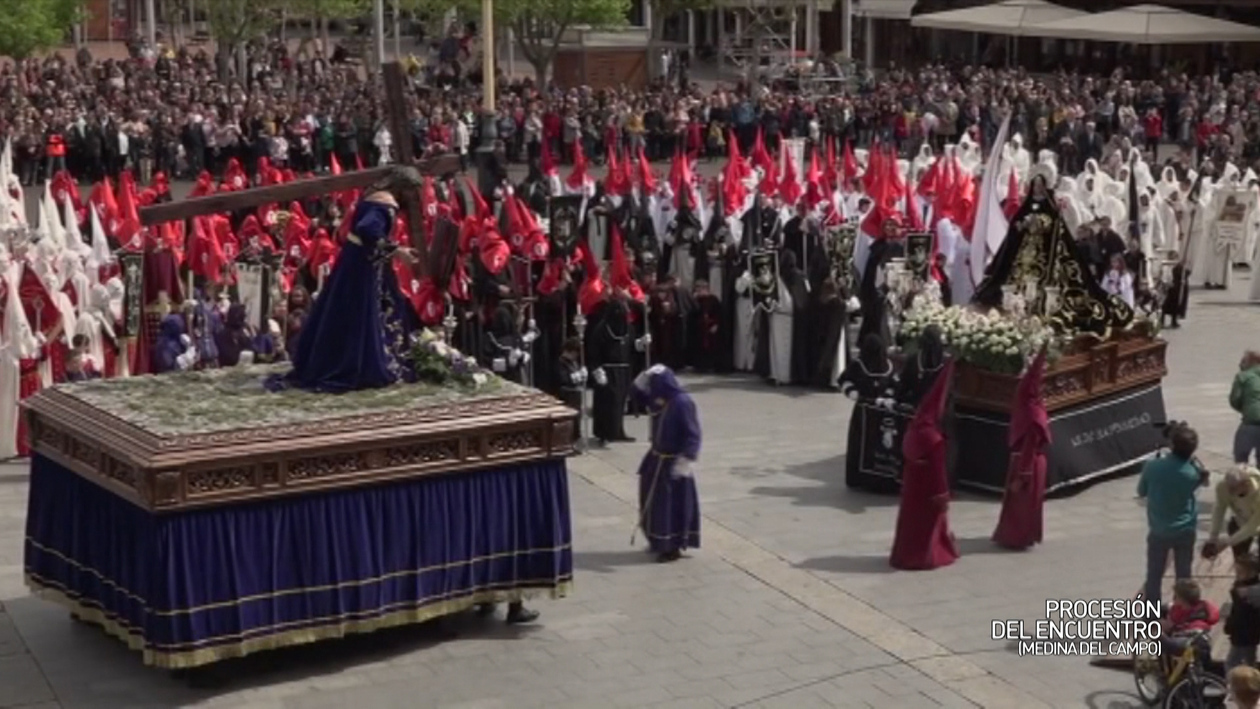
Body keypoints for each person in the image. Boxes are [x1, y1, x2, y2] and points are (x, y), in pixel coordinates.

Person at [278, 167, 422, 392]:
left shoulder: (373, 193)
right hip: (362, 266)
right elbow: (368, 229)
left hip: (353, 259)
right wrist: (398, 252)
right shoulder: (387, 205)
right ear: (402, 188)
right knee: (359, 314)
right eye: (411, 191)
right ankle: (360, 364)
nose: (412, 197)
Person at [890, 361, 957, 570]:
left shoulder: (915, 427)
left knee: (910, 523)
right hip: (927, 486)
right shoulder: (933, 438)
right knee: (927, 526)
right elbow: (937, 470)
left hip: (912, 483)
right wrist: (942, 494)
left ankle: (904, 555)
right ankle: (924, 557)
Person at [631, 365, 701, 563]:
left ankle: (672, 547)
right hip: (656, 459)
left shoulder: (683, 403)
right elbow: (636, 396)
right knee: (651, 503)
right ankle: (657, 540)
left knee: (670, 507)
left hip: (674, 463)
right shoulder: (658, 399)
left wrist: (687, 459)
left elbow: (693, 434)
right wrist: (641, 378)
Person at [1136, 423, 1203, 608]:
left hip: (1159, 529)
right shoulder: (1192, 473)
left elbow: (1141, 491)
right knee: (1184, 573)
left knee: (1154, 574)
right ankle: (1183, 609)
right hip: (1185, 528)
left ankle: (1151, 613)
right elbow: (1199, 484)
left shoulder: (1152, 466)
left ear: (1172, 445)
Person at [992, 351, 1049, 551]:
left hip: (1028, 463)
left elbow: (1029, 446)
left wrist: (1023, 476)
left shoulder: (1032, 415)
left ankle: (1018, 537)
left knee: (1021, 502)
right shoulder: (1031, 407)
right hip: (1026, 460)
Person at [587, 296, 634, 445]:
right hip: (607, 370)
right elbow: (594, 352)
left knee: (620, 402)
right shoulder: (602, 329)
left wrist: (641, 343)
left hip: (623, 370)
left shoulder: (627, 328)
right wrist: (596, 370)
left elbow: (632, 347)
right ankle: (604, 433)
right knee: (607, 402)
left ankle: (618, 430)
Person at [1205, 465, 1260, 562]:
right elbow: (1219, 509)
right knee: (1242, 564)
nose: (1231, 492)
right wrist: (1213, 537)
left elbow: (1253, 525)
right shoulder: (1223, 487)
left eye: (1235, 489)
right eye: (1229, 488)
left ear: (1246, 484)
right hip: (1240, 520)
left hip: (1255, 522)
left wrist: (1228, 542)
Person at [895, 325, 945, 409]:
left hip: (922, 406)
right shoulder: (944, 363)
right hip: (928, 408)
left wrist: (898, 399)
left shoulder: (914, 359)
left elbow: (904, 384)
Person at [1226, 554, 1260, 673]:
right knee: (1248, 663)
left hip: (1245, 634)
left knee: (1232, 664)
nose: (1237, 575)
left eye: (1240, 572)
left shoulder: (1248, 591)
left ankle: (1237, 690)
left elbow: (1242, 614)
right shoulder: (1242, 587)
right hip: (1243, 634)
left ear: (1251, 573)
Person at [555, 337, 586, 442]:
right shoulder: (561, 362)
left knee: (577, 418)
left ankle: (576, 438)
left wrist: (583, 376)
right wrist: (578, 375)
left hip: (576, 394)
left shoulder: (574, 362)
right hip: (567, 395)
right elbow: (563, 379)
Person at [1231, 351, 1260, 465]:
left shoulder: (1243, 376)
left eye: (1243, 361)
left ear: (1252, 363)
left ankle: (1243, 479)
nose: (1239, 365)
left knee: (1240, 455)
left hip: (1251, 423)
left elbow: (1235, 400)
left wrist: (1247, 410)